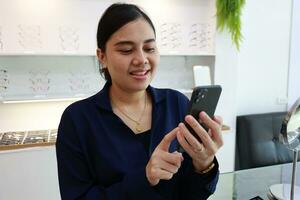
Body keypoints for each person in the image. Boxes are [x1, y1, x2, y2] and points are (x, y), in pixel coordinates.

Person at [56, 3, 223, 200]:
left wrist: (204, 165)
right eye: (126, 50)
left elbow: (191, 194)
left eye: (149, 48)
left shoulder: (176, 103)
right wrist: (145, 178)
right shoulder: (77, 120)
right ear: (102, 56)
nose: (142, 59)